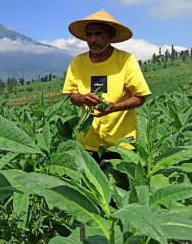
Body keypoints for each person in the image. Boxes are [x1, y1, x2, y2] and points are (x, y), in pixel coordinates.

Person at [62, 9, 151, 162]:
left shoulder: (126, 60)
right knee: (88, 185)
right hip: (88, 142)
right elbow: (72, 96)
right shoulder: (78, 62)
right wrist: (83, 98)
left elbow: (140, 98)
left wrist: (115, 107)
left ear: (110, 35)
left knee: (121, 185)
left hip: (121, 143)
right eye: (89, 35)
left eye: (98, 34)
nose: (92, 39)